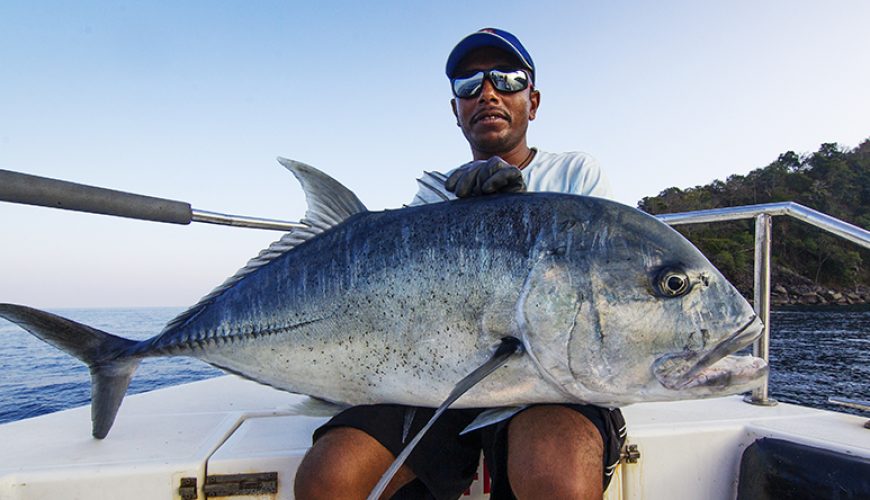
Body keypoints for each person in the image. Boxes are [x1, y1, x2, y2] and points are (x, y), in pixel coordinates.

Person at [294, 28, 626, 500]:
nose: (487, 92)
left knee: (557, 478)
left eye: (507, 79)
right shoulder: (433, 200)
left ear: (533, 101)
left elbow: (601, 286)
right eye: (469, 85)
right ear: (456, 110)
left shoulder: (575, 175)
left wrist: (516, 202)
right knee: (329, 476)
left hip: (553, 382)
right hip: (439, 382)